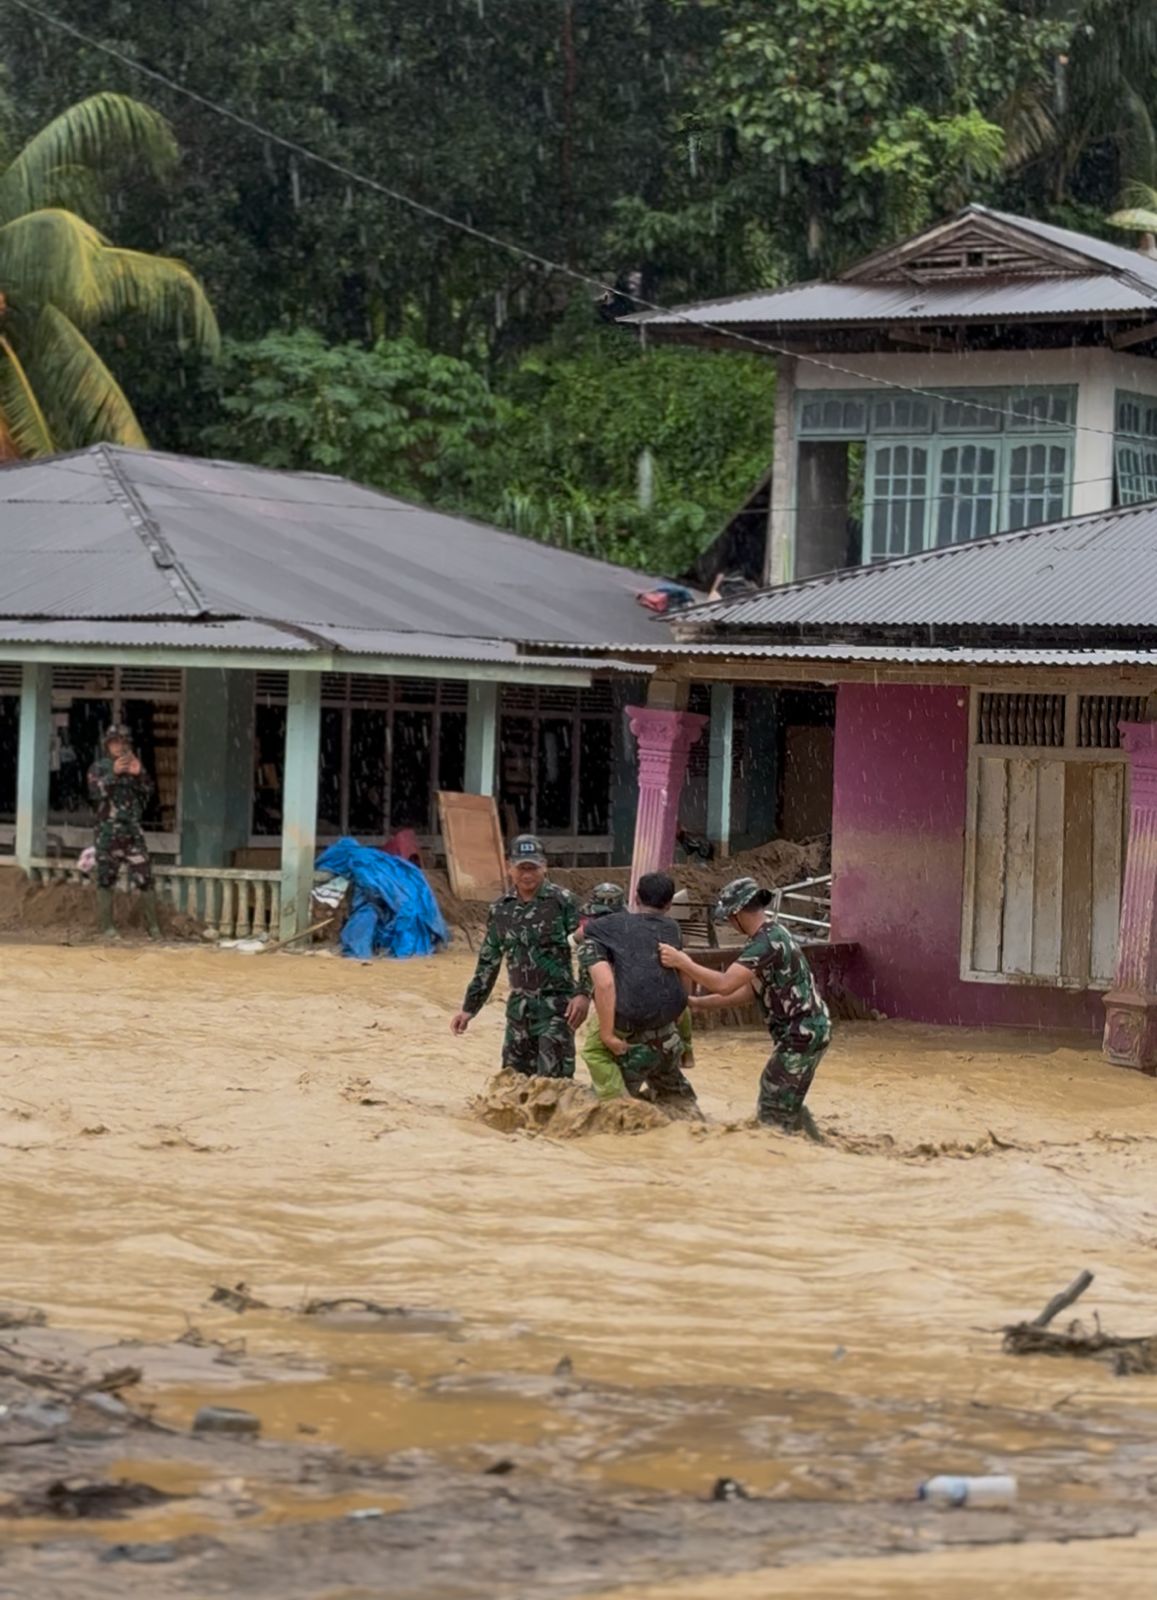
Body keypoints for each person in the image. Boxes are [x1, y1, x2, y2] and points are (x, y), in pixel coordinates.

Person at [660, 876, 830, 1133]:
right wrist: (698, 1003)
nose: (728, 922)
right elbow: (750, 991)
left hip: (801, 1033)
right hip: (808, 1030)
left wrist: (683, 962)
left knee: (773, 1103)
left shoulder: (765, 943)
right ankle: (813, 1144)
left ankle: (786, 1155)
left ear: (737, 913)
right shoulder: (774, 932)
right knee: (784, 1098)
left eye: (729, 917)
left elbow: (725, 983)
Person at [451, 835, 590, 1077]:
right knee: (512, 1085)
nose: (527, 874)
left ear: (544, 866)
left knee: (553, 1086)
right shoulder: (500, 909)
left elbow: (588, 949)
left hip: (557, 1008)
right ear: (509, 867)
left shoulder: (563, 902)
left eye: (533, 868)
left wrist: (583, 993)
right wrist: (469, 1009)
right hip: (519, 1010)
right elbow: (488, 961)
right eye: (521, 868)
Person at [580, 871, 698, 1111]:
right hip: (668, 1034)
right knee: (680, 1105)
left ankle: (617, 1105)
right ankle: (687, 1052)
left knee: (594, 1053)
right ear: (668, 904)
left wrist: (607, 1036)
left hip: (629, 1031)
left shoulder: (597, 937)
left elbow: (605, 985)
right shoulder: (672, 929)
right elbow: (683, 977)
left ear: (636, 898)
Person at [86, 724, 162, 940]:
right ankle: (107, 927)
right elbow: (94, 793)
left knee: (145, 876)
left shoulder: (136, 766)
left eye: (123, 742)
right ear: (108, 745)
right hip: (107, 832)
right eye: (115, 742)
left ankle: (153, 928)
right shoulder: (98, 768)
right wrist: (113, 773)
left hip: (132, 832)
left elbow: (149, 793)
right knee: (106, 878)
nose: (120, 746)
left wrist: (139, 776)